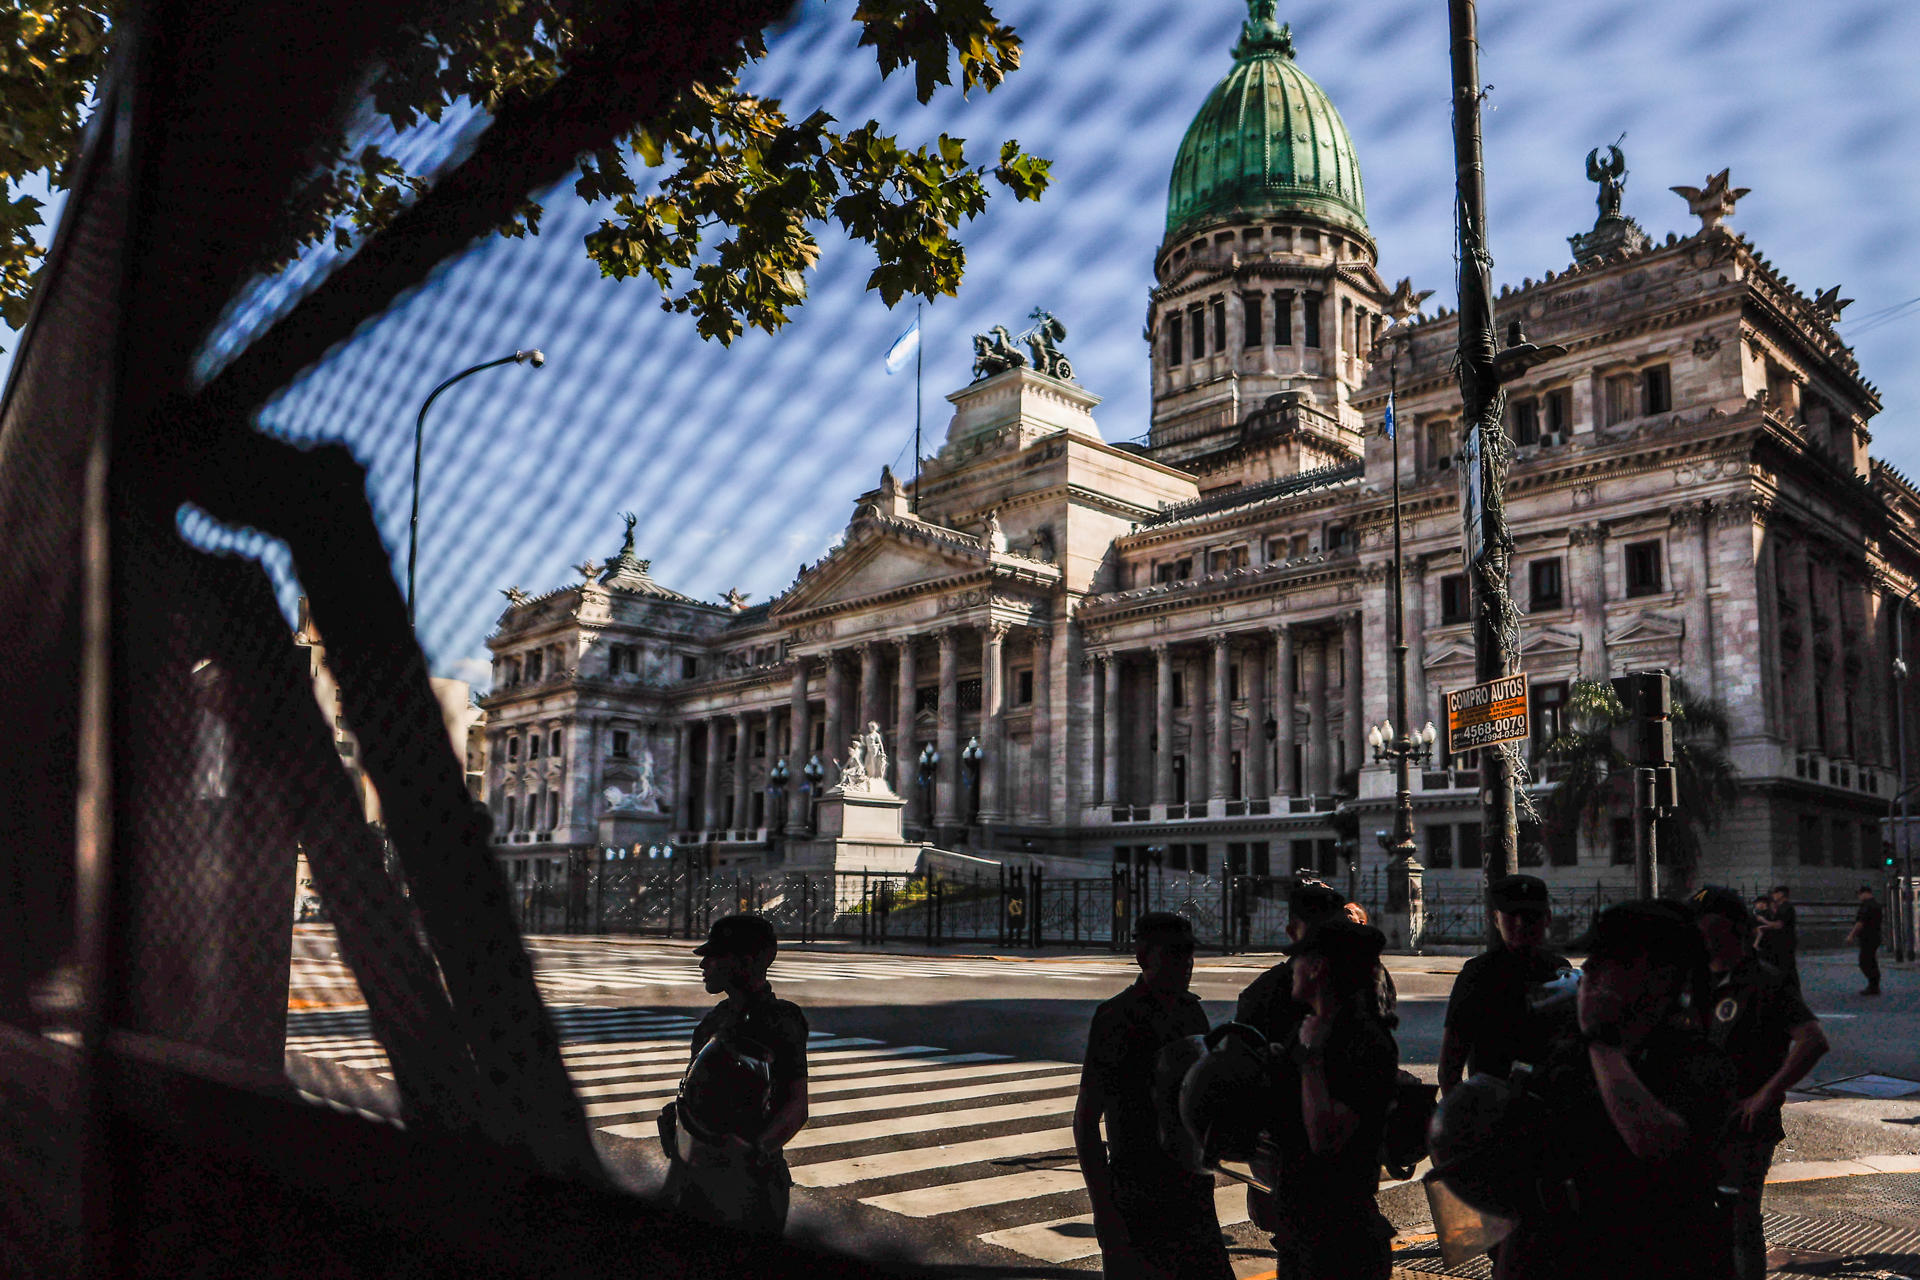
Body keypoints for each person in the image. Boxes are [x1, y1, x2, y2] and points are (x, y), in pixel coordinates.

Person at [1493, 901, 1736, 1280]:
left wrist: (1602, 1043)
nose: (1588, 969)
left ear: (1660, 977)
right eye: (1592, 958)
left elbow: (1657, 1145)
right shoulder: (1565, 1053)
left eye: (1611, 962)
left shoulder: (1696, 1062)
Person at [1075, 912, 1233, 1280]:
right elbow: (1086, 1119)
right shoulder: (1115, 1018)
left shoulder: (1192, 1013)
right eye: (1174, 954)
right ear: (1144, 956)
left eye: (1189, 954)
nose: (1186, 965)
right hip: (1137, 1193)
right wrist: (1103, 1207)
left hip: (1191, 1190)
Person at [1687, 886, 1828, 1280]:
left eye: (1705, 921)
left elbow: (1813, 1040)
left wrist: (1766, 1093)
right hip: (1699, 1121)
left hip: (1745, 1127)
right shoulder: (1693, 979)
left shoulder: (1765, 980)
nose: (1697, 930)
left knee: (1739, 1222)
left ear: (1729, 926)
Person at [1260, 916, 1400, 1280]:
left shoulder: (1362, 1042)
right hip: (1301, 1228)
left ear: (1319, 968)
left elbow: (1326, 1137)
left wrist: (1310, 1060)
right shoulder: (1309, 1029)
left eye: (1300, 959)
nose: (1293, 968)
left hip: (1339, 1239)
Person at [660, 914, 809, 1236]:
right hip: (698, 1179)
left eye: (715, 956)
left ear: (748, 960)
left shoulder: (781, 1020)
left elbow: (796, 1105)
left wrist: (755, 1151)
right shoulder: (713, 1021)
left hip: (750, 1186)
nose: (704, 965)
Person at [1438, 875, 1572, 1100]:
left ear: (1547, 918)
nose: (1521, 923)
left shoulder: (1560, 970)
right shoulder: (1476, 975)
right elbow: (1450, 1064)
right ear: (1495, 918)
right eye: (1512, 915)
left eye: (1531, 916)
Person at [1755, 884, 1799, 989]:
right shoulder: (1782, 907)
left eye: (1775, 893)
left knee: (1786, 967)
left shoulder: (1786, 908)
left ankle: (1789, 987)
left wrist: (1763, 921)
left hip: (1785, 942)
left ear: (1781, 894)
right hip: (1783, 941)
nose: (1773, 895)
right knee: (1785, 967)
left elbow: (1779, 925)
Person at [1846, 884, 1883, 995]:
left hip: (1867, 937)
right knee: (1871, 960)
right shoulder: (1876, 905)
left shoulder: (1866, 906)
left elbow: (1860, 923)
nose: (1859, 897)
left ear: (1865, 893)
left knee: (1865, 961)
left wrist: (1851, 935)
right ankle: (1874, 985)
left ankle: (1873, 984)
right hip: (1875, 935)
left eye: (1860, 894)